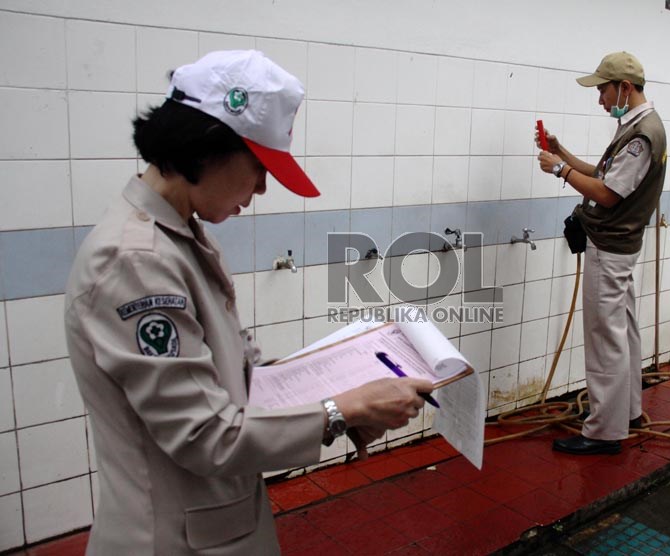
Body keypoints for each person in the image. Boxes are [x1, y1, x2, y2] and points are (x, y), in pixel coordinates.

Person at [64, 50, 434, 555]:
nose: (262, 187)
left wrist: (346, 410)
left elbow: (226, 384)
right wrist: (339, 408)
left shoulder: (182, 238)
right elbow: (203, 434)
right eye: (259, 167)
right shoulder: (136, 262)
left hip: (215, 523)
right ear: (208, 146)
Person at [535, 51, 667, 455]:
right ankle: (624, 412)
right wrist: (564, 154)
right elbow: (604, 174)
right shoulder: (638, 127)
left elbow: (607, 194)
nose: (601, 101)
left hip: (610, 249)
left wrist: (559, 171)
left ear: (625, 87)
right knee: (622, 331)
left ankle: (604, 432)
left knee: (605, 339)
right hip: (620, 249)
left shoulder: (642, 135)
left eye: (604, 91)